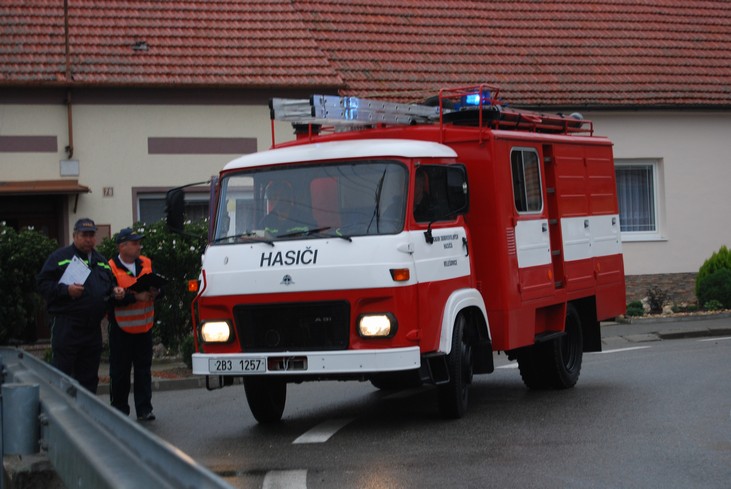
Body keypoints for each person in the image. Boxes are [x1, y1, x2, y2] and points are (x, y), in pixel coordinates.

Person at [36, 218, 124, 393]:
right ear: (75, 235)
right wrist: (66, 290)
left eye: (92, 235)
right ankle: (61, 414)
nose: (89, 239)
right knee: (63, 373)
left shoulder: (100, 260)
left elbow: (109, 284)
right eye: (84, 235)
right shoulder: (60, 257)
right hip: (68, 326)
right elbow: (42, 285)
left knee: (89, 376)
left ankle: (85, 415)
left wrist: (116, 291)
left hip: (92, 329)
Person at [107, 227, 162, 422]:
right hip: (121, 329)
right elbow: (109, 297)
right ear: (122, 246)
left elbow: (158, 285)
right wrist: (134, 296)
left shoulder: (146, 262)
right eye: (135, 243)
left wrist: (157, 292)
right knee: (120, 372)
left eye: (139, 242)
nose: (139, 246)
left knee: (143, 370)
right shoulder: (110, 267)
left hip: (144, 327)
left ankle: (144, 409)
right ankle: (119, 410)